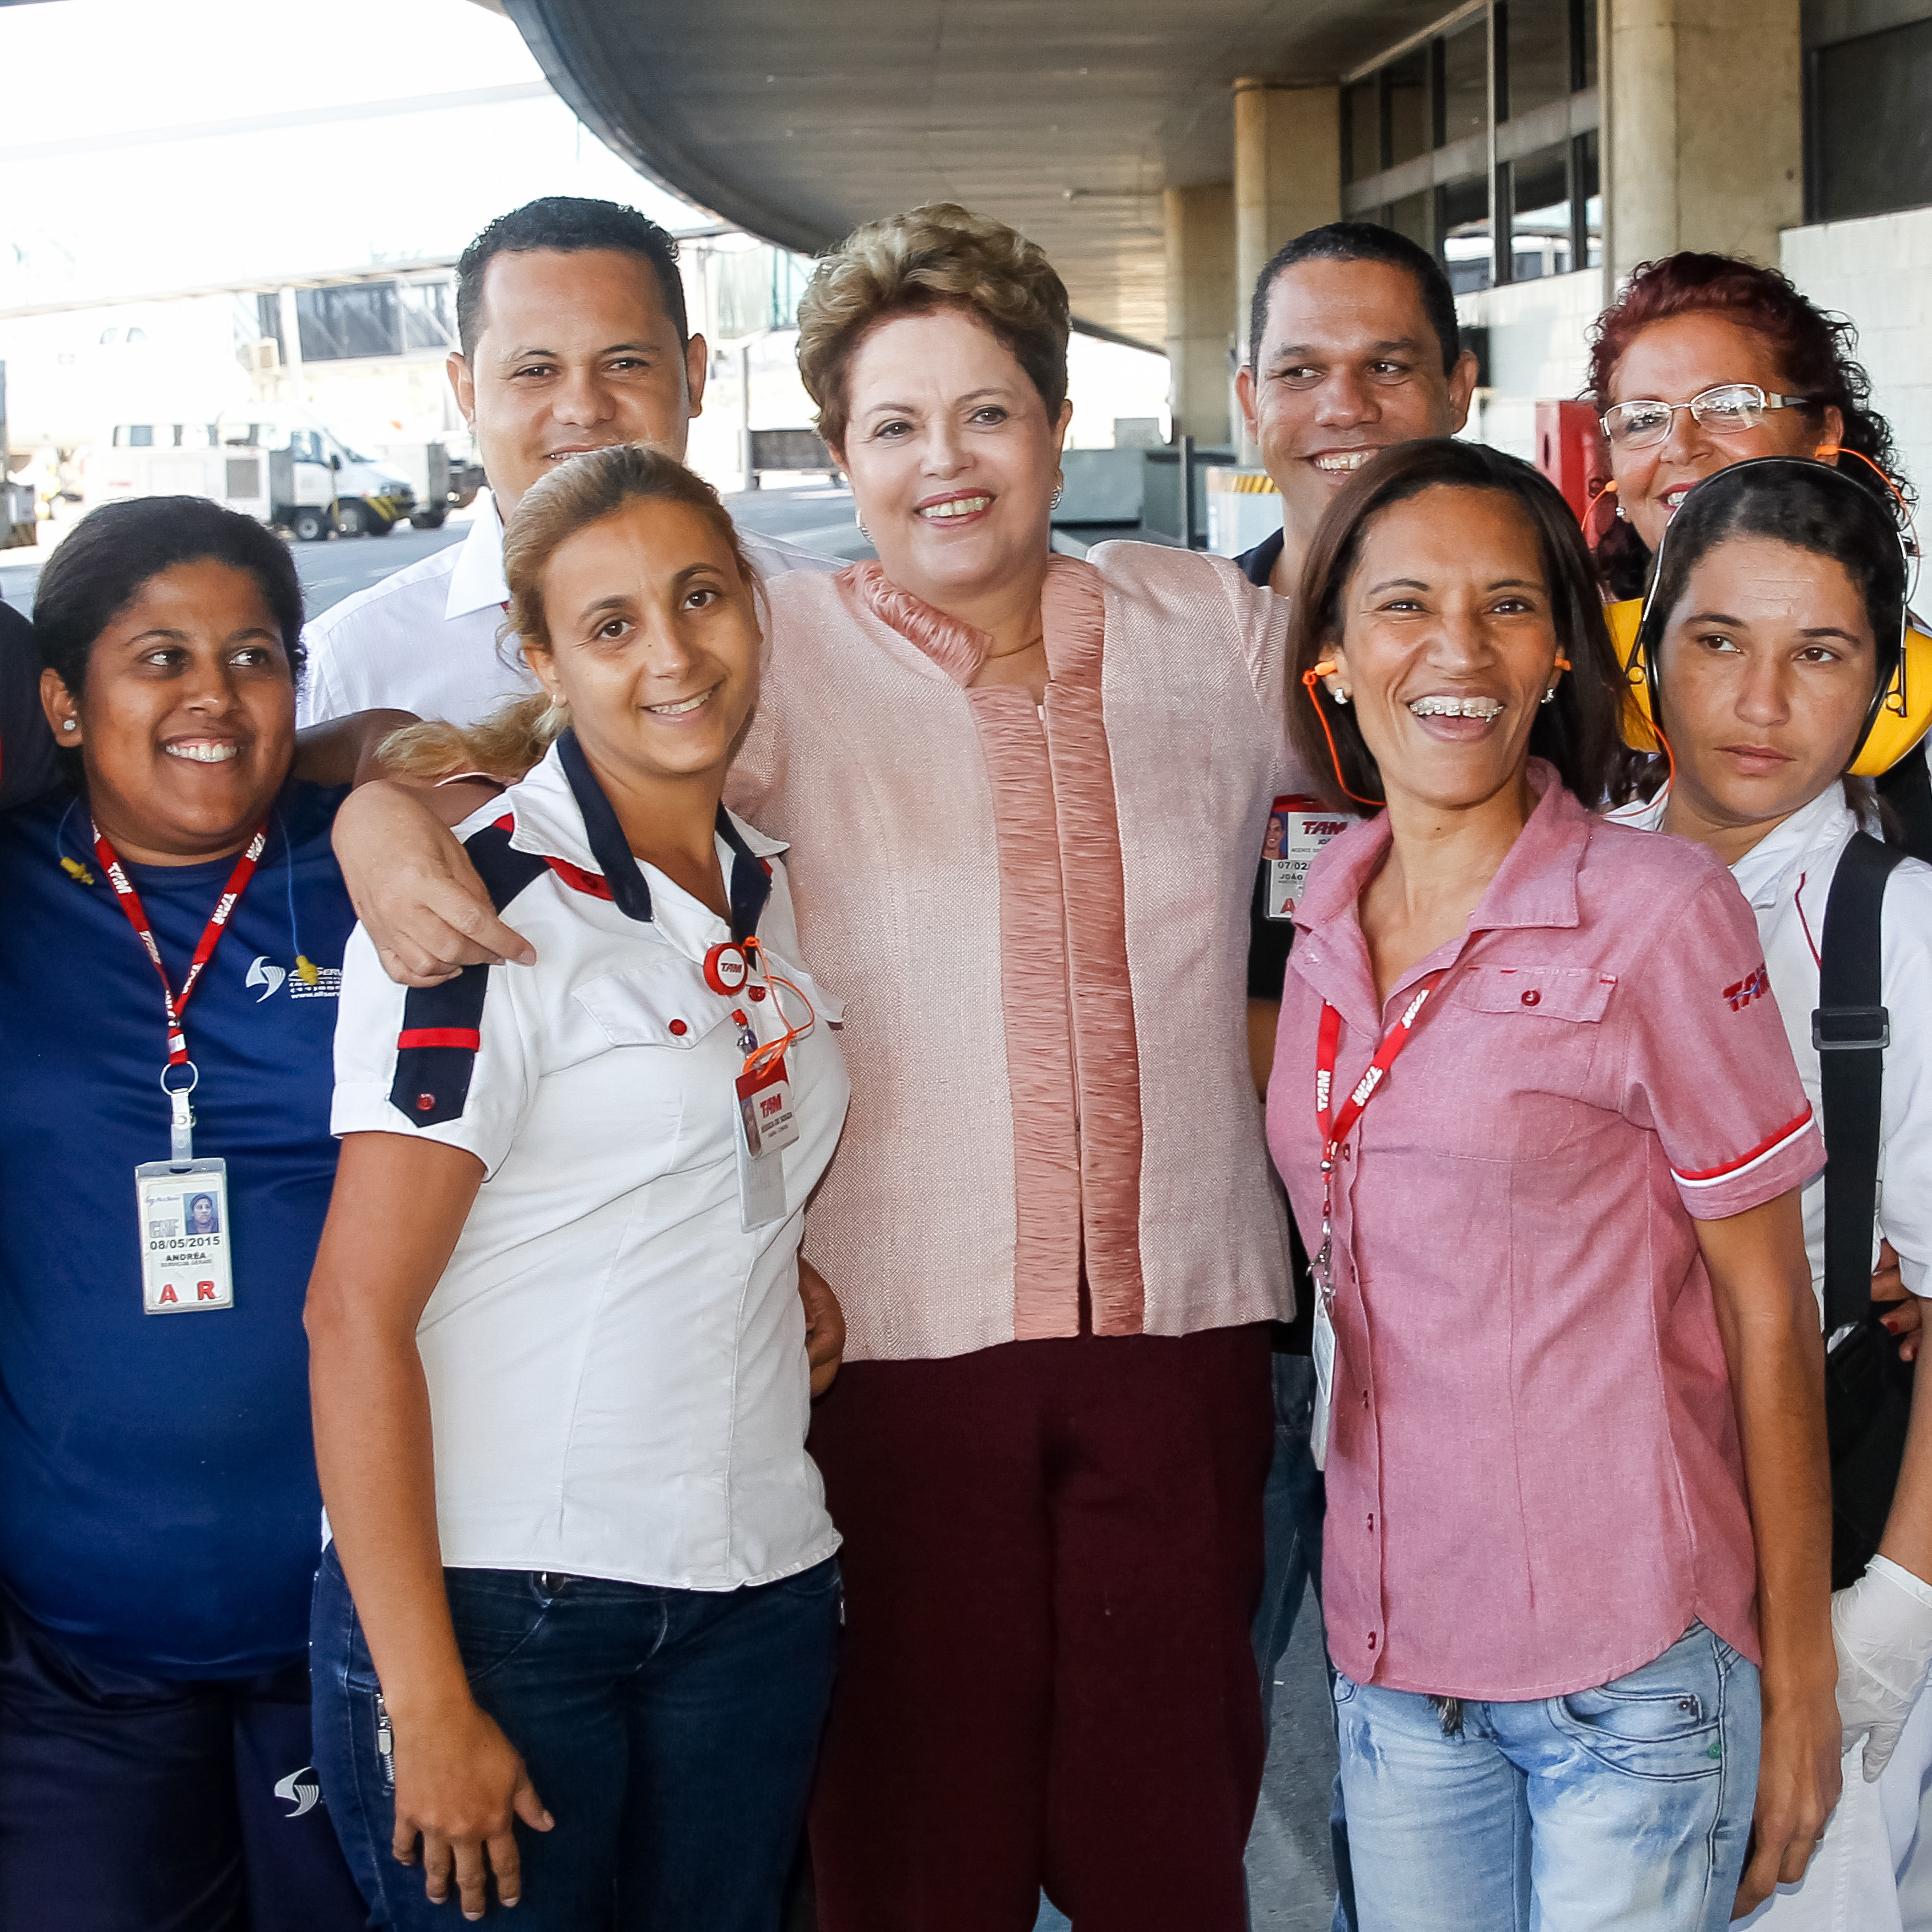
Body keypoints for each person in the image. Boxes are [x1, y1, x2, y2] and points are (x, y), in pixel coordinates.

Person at [326, 201, 1311, 1932]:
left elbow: (1426, 717)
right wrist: (372, 818)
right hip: (892, 1363)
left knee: (1167, 1850)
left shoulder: (1206, 639)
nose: (948, 464)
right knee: (909, 1860)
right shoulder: (773, 650)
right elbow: (526, 746)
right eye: (893, 426)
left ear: (1060, 423)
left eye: (989, 412)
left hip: (1184, 1338)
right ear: (837, 456)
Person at [1267, 437, 1839, 1929]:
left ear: (1558, 659)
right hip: (1395, 1662)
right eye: (1402, 604)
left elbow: (1767, 1317)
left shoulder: (1657, 916)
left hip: (1630, 1670)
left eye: (1508, 606)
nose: (1454, 650)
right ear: (1331, 652)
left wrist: (1800, 1687)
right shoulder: (1323, 916)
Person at [306, 444, 850, 1931]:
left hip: (756, 1592)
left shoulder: (757, 880)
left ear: (753, 606)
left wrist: (765, 1263)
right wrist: (425, 1704)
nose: (671, 654)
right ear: (542, 658)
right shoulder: (475, 903)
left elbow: (659, 1159)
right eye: (611, 626)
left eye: (700, 598)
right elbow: (353, 1315)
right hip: (507, 1612)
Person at [0, 498, 369, 1929]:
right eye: (159, 657)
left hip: (355, 1637)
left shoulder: (371, 876)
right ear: (64, 703)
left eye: (255, 655)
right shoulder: (14, 891)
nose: (214, 696)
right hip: (74, 1666)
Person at [1602, 457, 1932, 1932]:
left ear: (1883, 691)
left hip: (1797, 1556)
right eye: (1719, 639)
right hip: (1551, 1553)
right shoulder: (1539, 878)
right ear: (1648, 648)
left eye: (1822, 654)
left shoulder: (1899, 930)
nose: (1758, 700)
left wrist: (1888, 1627)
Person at [1233, 219, 1480, 1931]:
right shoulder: (1165, 638)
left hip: (1486, 1333)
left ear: (1459, 387)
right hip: (1234, 1310)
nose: (1345, 404)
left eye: (1386, 364)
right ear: (1244, 400)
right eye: (1303, 371)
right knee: (1238, 1743)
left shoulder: (1537, 639)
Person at [298, 196, 836, 731]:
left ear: (693, 376)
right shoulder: (346, 670)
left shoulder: (842, 625)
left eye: (625, 363)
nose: (583, 408)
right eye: (535, 371)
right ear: (467, 394)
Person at [1588, 250, 1932, 853]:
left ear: (1823, 433)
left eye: (1727, 405)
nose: (1678, 447)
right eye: (1643, 418)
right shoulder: (1564, 685)